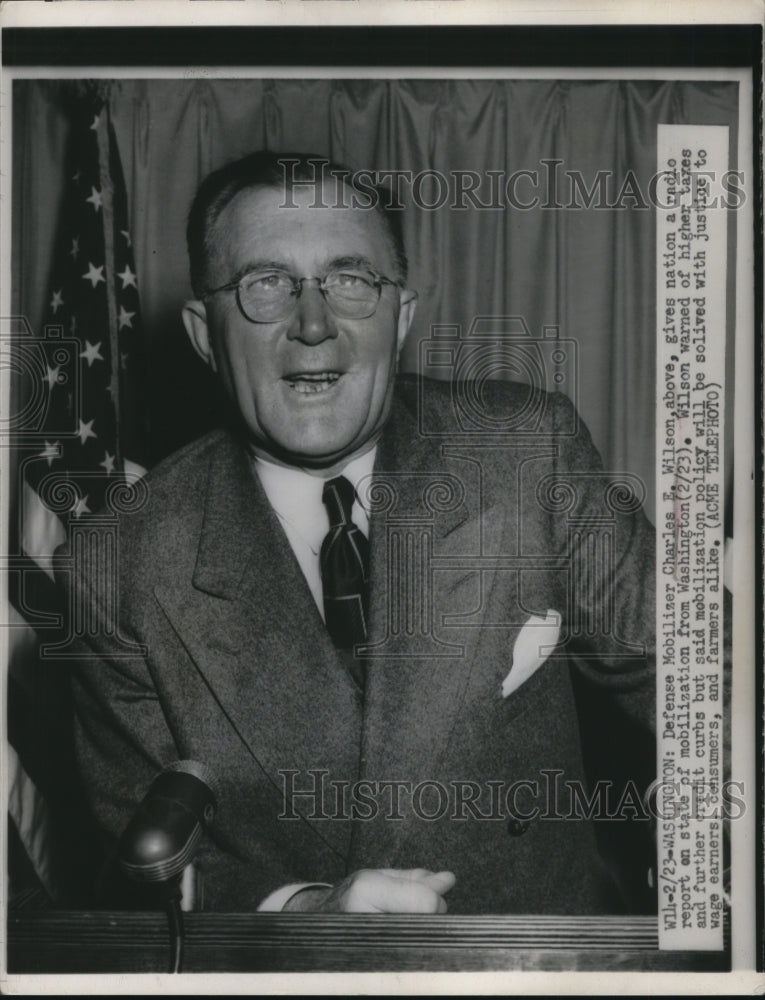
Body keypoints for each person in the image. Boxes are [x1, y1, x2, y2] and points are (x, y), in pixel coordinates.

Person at [67, 151, 656, 915]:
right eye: (265, 285)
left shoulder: (522, 452)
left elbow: (702, 680)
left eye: (350, 281)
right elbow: (150, 866)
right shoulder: (116, 563)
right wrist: (313, 914)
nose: (313, 325)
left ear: (401, 317)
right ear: (203, 334)